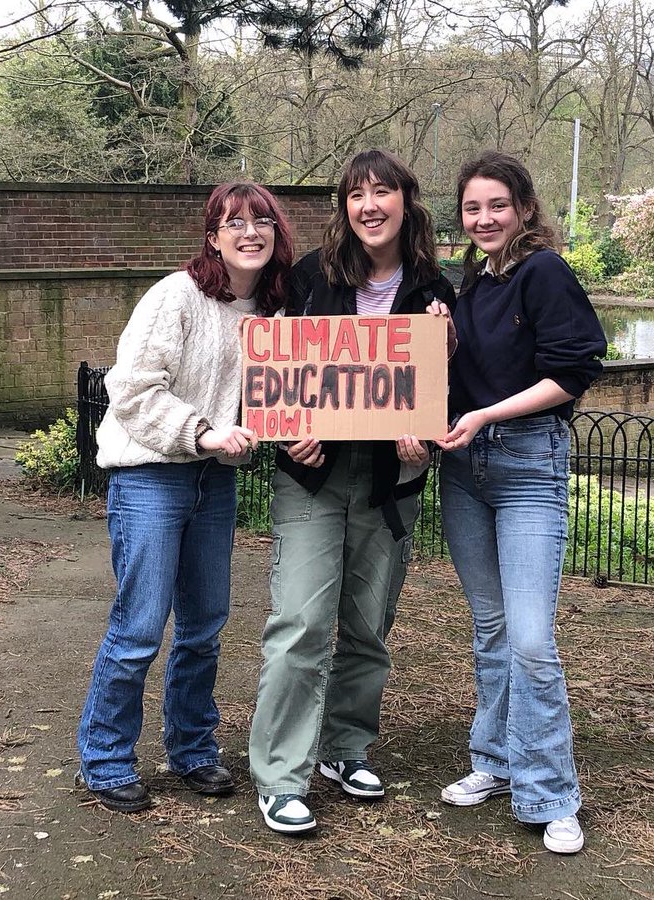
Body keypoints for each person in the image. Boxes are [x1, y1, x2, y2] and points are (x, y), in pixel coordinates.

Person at [249, 149, 456, 835]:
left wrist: (423, 431)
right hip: (312, 478)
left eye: (383, 192)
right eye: (356, 193)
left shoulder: (434, 290)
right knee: (301, 624)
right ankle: (281, 775)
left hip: (389, 482)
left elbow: (441, 389)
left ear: (406, 201)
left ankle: (344, 747)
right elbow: (276, 367)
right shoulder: (311, 276)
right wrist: (287, 432)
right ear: (344, 207)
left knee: (368, 625)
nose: (369, 205)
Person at [76, 183, 294, 813]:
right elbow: (133, 388)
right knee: (141, 624)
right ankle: (106, 757)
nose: (250, 233)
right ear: (212, 236)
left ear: (276, 235)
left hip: (214, 481)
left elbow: (280, 395)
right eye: (235, 223)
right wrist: (202, 432)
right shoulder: (176, 296)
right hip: (151, 476)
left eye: (262, 223)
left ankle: (192, 749)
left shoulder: (273, 314)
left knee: (204, 626)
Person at [429, 151, 607, 854]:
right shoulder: (474, 282)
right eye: (472, 209)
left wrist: (485, 417)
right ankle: (496, 763)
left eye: (496, 206)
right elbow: (468, 375)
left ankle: (552, 792)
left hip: (527, 462)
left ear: (526, 208)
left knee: (532, 638)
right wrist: (443, 341)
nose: (484, 219)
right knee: (493, 629)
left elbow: (572, 370)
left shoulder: (544, 272)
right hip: (467, 469)